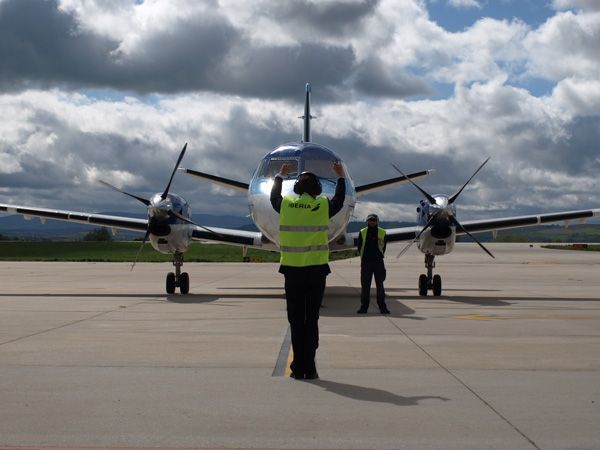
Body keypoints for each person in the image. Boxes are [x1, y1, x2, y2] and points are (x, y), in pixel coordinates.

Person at [271, 161, 345, 380]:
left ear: (296, 189)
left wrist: (279, 176)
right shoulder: (322, 205)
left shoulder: (286, 206)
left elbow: (274, 198)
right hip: (316, 271)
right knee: (311, 320)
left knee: (295, 320)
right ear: (317, 190)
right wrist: (340, 176)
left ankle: (296, 367)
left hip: (292, 271)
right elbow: (339, 201)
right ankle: (310, 367)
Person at [357, 213, 389, 314]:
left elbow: (384, 247)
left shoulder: (382, 232)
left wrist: (378, 256)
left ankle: (382, 307)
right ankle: (364, 307)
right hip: (366, 262)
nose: (372, 222)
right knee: (365, 286)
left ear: (377, 221)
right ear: (367, 221)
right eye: (370, 220)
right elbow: (359, 246)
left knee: (380, 286)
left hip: (378, 262)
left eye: (374, 220)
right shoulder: (362, 232)